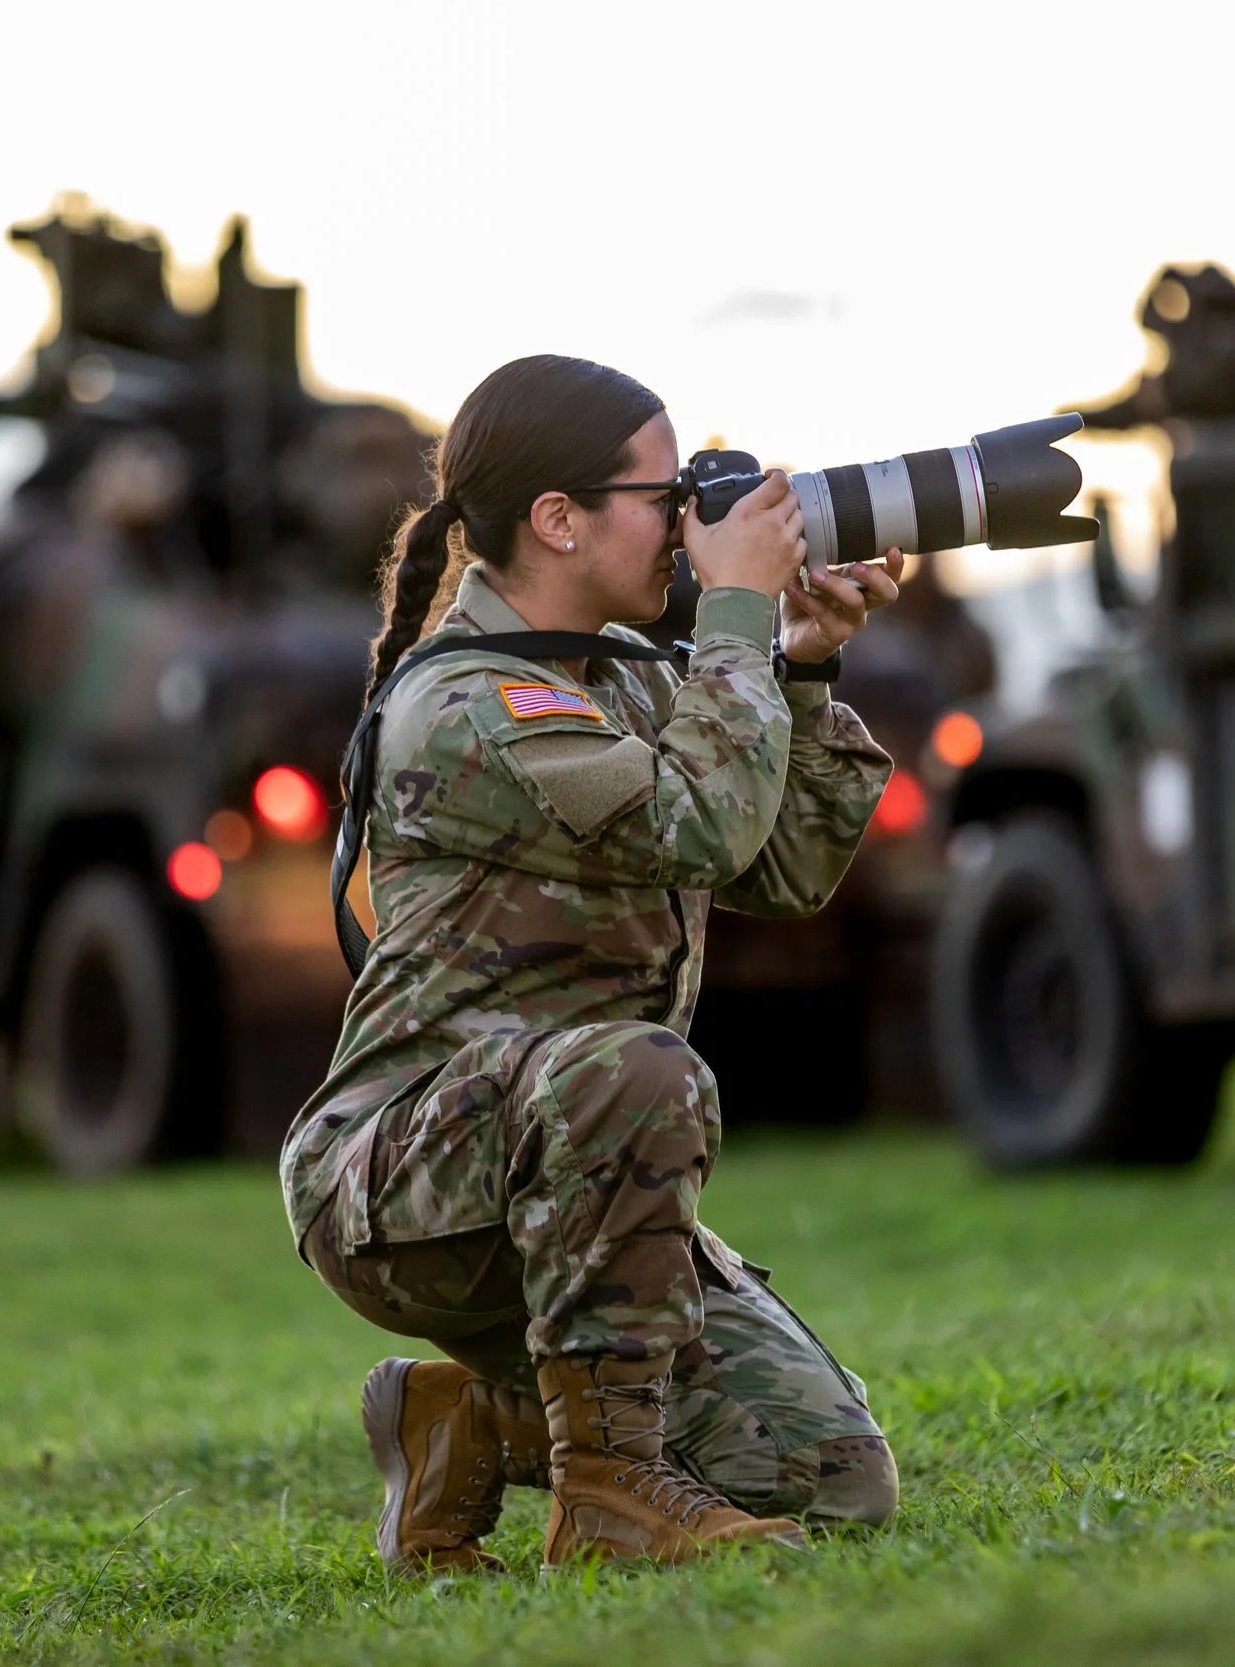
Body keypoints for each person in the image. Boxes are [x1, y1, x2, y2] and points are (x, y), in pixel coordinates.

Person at [280, 354, 902, 1572]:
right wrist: (733, 621)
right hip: (405, 1182)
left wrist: (804, 663)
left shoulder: (619, 671)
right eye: (665, 496)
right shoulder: (467, 706)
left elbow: (775, 874)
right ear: (557, 517)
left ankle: (463, 1420)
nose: (689, 523)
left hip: (572, 1167)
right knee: (638, 1069)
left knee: (829, 1471)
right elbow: (698, 826)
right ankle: (612, 1495)